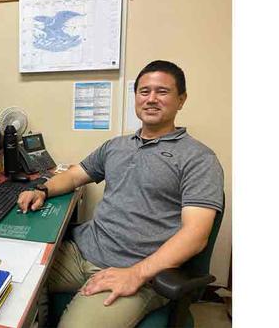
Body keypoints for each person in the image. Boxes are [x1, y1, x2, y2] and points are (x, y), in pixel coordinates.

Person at [17, 60, 224, 328]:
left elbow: (195, 235)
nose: (151, 99)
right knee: (13, 282)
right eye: (144, 91)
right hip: (82, 251)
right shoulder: (116, 146)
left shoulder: (199, 159)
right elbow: (74, 175)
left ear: (181, 100)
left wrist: (136, 274)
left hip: (138, 272)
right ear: (136, 97)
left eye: (162, 92)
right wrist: (42, 189)